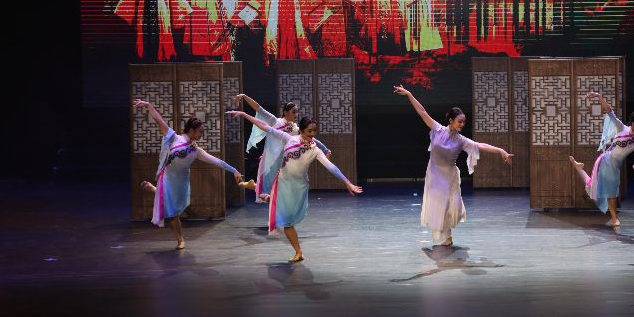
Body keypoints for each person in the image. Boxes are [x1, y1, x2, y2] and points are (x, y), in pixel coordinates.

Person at [226, 111, 362, 262]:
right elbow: (265, 126)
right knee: (286, 221)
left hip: (299, 187)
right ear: (301, 130)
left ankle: (256, 188)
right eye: (309, 131)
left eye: (314, 131)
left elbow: (331, 167)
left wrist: (347, 182)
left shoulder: (315, 150)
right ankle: (298, 252)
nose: (312, 134)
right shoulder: (288, 138)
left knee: (284, 213)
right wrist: (244, 114)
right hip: (283, 182)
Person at [393, 85, 513, 246]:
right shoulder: (437, 129)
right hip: (435, 173)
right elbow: (422, 112)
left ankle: (448, 235)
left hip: (449, 176)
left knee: (450, 207)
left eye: (464, 122)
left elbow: (479, 145)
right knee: (439, 206)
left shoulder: (461, 140)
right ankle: (446, 236)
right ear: (451, 120)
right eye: (459, 121)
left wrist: (500, 150)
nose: (462, 124)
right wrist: (409, 94)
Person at [135, 99, 242, 249]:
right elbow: (159, 120)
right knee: (172, 213)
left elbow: (216, 161)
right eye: (200, 131)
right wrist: (148, 105)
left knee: (175, 209)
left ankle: (155, 190)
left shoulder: (196, 150)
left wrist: (234, 170)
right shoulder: (174, 137)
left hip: (181, 182)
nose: (202, 134)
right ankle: (180, 240)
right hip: (167, 178)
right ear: (192, 130)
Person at [569, 91, 634, 226]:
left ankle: (579, 168)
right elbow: (610, 112)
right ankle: (615, 219)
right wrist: (599, 97)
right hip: (605, 161)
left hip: (615, 166)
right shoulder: (622, 128)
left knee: (596, 188)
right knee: (609, 192)